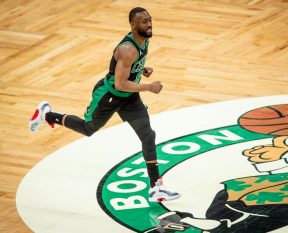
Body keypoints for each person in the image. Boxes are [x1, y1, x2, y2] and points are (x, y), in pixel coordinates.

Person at [29, 7, 181, 203]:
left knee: (148, 135)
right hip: (109, 95)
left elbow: (130, 68)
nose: (149, 24)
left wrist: (142, 69)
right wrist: (149, 87)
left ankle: (155, 188)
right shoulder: (127, 49)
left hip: (129, 97)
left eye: (150, 20)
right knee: (88, 128)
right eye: (144, 21)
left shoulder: (144, 39)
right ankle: (47, 115)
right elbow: (120, 83)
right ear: (133, 25)